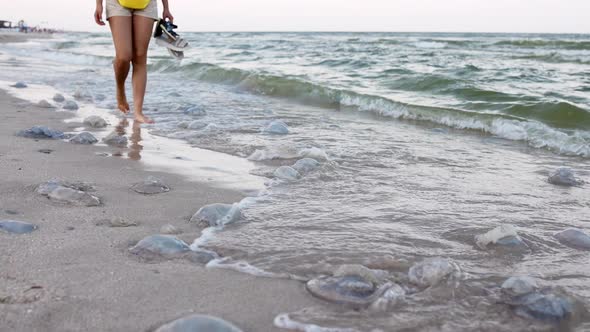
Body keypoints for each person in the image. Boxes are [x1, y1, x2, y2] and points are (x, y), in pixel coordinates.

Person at [94, 0, 173, 123]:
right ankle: (120, 90)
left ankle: (138, 112)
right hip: (117, 3)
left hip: (147, 4)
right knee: (124, 56)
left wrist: (166, 7)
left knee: (140, 57)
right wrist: (98, 5)